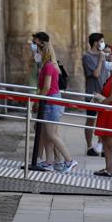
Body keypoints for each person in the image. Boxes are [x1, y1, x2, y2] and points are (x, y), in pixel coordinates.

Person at [37, 42, 78, 173]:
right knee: (47, 135)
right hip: (50, 101)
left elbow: (47, 86)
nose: (36, 54)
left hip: (51, 102)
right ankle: (49, 161)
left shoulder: (48, 66)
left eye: (38, 51)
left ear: (44, 52)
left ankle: (69, 160)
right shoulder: (49, 66)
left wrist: (38, 101)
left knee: (52, 134)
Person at [82, 33, 107, 156]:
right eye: (101, 41)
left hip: (103, 93)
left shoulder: (103, 55)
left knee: (103, 120)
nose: (102, 43)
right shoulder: (87, 57)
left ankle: (101, 144)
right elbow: (95, 74)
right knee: (91, 120)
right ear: (95, 42)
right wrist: (101, 60)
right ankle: (89, 146)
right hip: (92, 93)